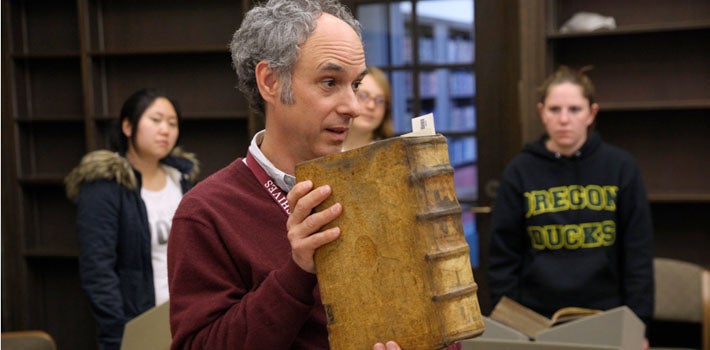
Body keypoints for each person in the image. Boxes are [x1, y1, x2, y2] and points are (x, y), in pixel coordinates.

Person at [167, 1, 462, 349]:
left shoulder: (383, 184)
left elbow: (440, 324)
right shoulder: (206, 214)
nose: (353, 106)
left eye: (355, 84)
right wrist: (297, 272)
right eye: (329, 82)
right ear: (271, 82)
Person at [487, 65, 653, 347]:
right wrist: (512, 327)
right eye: (554, 109)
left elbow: (638, 255)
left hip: (607, 316)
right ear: (541, 112)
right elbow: (503, 259)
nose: (564, 119)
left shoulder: (621, 167)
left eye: (575, 109)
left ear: (592, 113)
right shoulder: (520, 171)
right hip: (535, 321)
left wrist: (638, 326)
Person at [64, 88, 199, 350]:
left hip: (186, 319)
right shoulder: (105, 185)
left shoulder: (180, 179)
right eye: (156, 120)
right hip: (139, 325)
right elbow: (97, 270)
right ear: (128, 126)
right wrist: (119, 333)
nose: (165, 130)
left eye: (173, 123)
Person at [342, 66, 394, 151]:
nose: (371, 106)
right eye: (363, 96)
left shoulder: (392, 154)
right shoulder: (321, 151)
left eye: (379, 100)